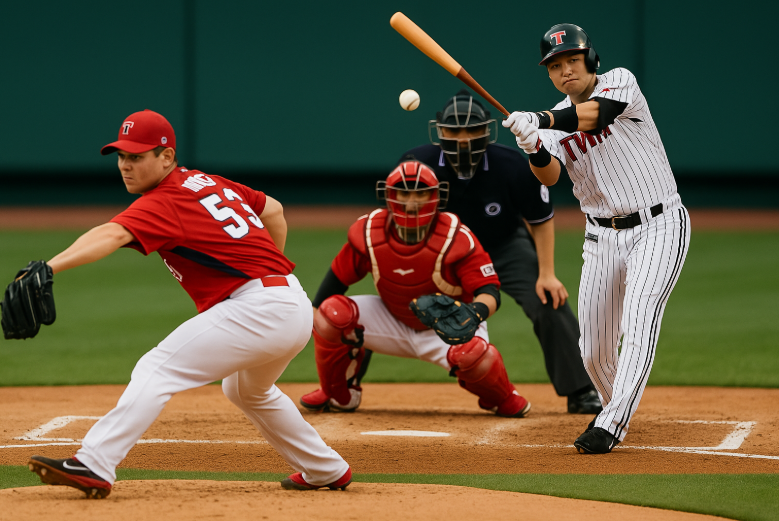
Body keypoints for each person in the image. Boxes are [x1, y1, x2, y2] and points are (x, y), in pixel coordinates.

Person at [21, 109, 351, 497]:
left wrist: (50, 266)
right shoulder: (206, 182)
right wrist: (266, 270)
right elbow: (274, 210)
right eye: (122, 156)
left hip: (260, 307)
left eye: (137, 156)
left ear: (166, 156)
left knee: (157, 368)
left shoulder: (164, 200)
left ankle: (94, 463)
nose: (126, 166)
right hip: (288, 300)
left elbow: (110, 235)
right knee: (246, 390)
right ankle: (325, 468)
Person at [502, 24, 690, 453]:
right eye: (555, 65)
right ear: (549, 73)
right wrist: (533, 145)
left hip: (659, 224)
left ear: (590, 59)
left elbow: (595, 115)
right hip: (600, 236)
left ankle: (610, 424)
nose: (565, 69)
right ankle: (613, 406)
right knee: (592, 350)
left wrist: (541, 120)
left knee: (639, 320)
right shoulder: (551, 123)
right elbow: (549, 175)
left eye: (572, 59)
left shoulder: (620, 82)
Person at [364, 90, 601, 415]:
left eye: (471, 130)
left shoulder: (511, 165)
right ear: (440, 132)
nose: (463, 139)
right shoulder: (417, 164)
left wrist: (547, 274)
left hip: (504, 246)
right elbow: (397, 218)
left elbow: (540, 218)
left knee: (548, 299)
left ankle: (581, 390)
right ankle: (344, 387)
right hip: (443, 255)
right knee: (389, 298)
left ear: (486, 131)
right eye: (454, 131)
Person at [298, 160, 531, 419]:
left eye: (421, 192)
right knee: (331, 314)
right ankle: (338, 393)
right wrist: (314, 324)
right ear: (389, 196)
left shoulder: (456, 236)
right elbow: (331, 288)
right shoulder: (369, 232)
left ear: (435, 196)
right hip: (392, 319)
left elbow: (490, 291)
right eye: (404, 192)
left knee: (474, 356)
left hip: (446, 328)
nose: (412, 202)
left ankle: (502, 396)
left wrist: (474, 313)